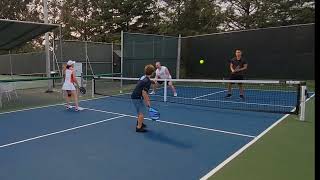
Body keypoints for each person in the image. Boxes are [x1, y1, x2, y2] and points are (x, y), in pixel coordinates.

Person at [131, 64, 155, 133]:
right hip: (137, 97)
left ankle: (140, 123)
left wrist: (151, 81)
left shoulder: (143, 77)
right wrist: (148, 102)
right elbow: (144, 93)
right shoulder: (147, 81)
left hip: (134, 95)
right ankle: (138, 128)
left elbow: (143, 82)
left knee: (140, 111)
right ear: (152, 73)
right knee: (142, 112)